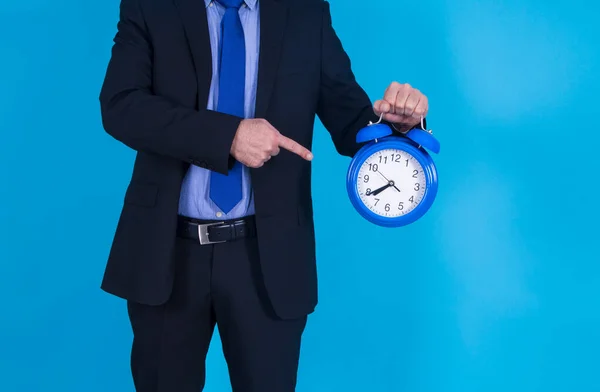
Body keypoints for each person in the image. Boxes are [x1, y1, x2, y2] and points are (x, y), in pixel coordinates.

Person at [99, 0, 429, 390]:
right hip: (168, 254)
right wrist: (228, 136)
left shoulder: (305, 12)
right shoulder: (151, 6)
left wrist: (401, 126)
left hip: (267, 260)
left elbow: (353, 123)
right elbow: (121, 105)